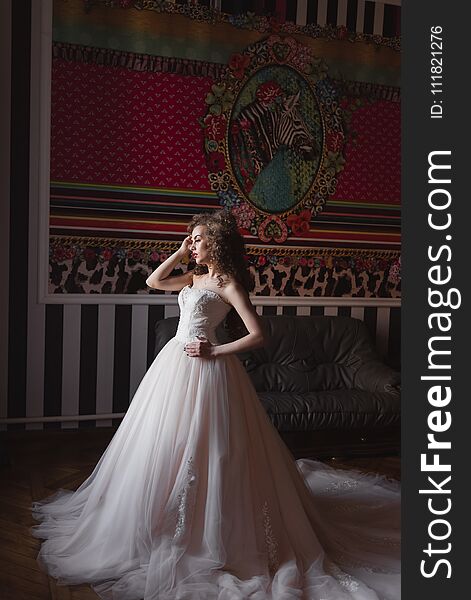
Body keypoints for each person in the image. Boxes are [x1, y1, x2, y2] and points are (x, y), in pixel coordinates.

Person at [31, 210, 400, 599]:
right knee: (164, 443)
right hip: (174, 367)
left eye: (199, 238)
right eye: (190, 237)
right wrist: (178, 251)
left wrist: (216, 349)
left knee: (214, 449)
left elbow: (258, 335)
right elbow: (153, 281)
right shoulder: (192, 277)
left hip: (209, 370)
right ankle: (157, 517)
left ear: (217, 242)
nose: (193, 243)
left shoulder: (227, 284)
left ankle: (213, 528)